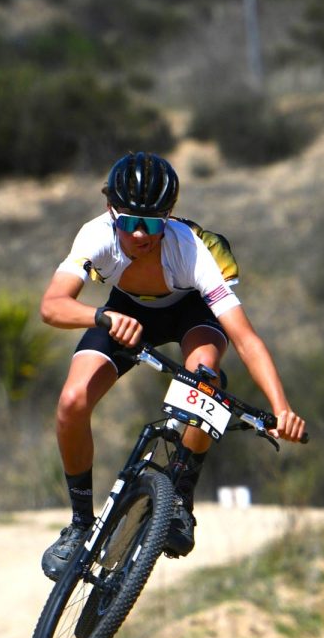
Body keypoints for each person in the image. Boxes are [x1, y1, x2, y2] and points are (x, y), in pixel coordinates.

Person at [39, 150, 306, 581]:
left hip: (191, 314)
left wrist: (282, 407)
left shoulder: (191, 251)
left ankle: (180, 499)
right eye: (129, 222)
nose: (141, 235)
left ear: (170, 218)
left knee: (205, 384)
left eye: (154, 223)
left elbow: (245, 337)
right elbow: (52, 306)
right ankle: (79, 525)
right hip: (124, 313)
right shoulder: (96, 236)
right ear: (112, 212)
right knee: (72, 402)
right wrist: (102, 317)